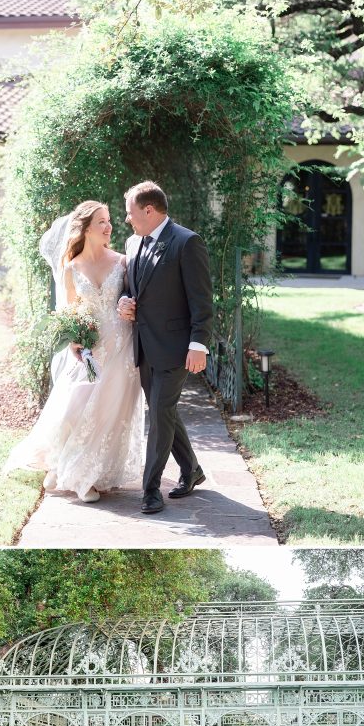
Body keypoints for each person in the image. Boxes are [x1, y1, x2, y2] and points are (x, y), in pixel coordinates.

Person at [5, 202, 144, 502]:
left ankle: (88, 474)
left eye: (109, 221)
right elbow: (68, 313)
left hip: (121, 346)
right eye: (101, 222)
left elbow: (132, 297)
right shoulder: (71, 267)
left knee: (109, 410)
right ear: (85, 228)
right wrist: (73, 341)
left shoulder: (122, 261)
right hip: (90, 349)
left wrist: (128, 306)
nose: (109, 227)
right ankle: (64, 464)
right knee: (76, 408)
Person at [117, 181, 213, 515]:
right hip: (144, 346)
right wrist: (124, 303)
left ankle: (150, 491)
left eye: (131, 213)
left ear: (149, 210)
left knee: (158, 414)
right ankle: (192, 470)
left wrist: (198, 344)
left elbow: (202, 302)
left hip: (174, 348)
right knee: (165, 411)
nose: (128, 220)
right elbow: (130, 289)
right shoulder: (133, 243)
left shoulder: (187, 242)